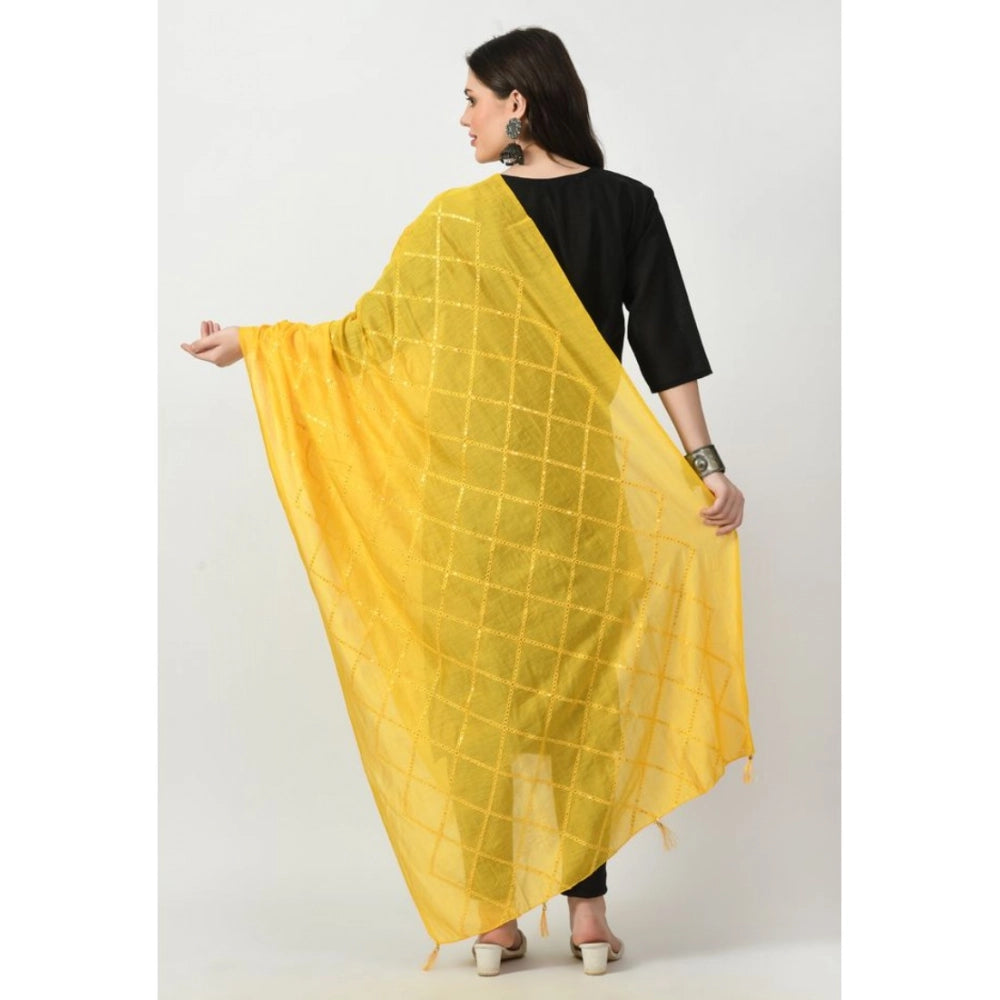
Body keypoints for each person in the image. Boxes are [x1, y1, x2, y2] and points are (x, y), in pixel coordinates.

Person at [182, 26, 753, 978]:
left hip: (475, 506)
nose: (464, 118)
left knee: (478, 704)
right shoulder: (626, 205)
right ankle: (589, 920)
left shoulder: (459, 220)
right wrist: (706, 464)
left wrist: (259, 344)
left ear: (517, 103)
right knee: (585, 701)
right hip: (583, 501)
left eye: (474, 99)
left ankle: (495, 918)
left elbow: (365, 341)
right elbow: (667, 345)